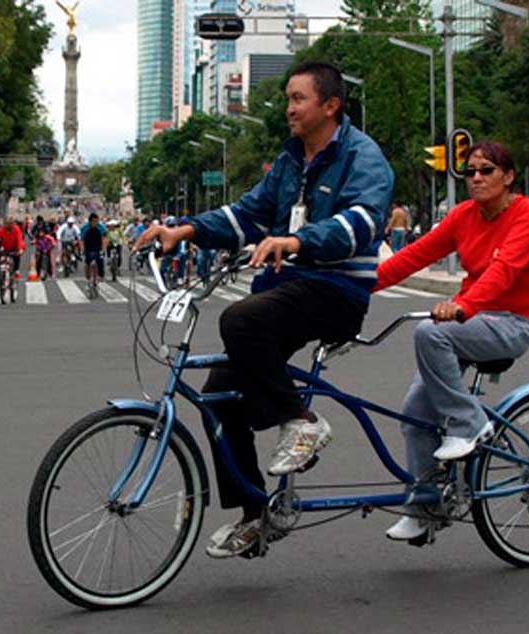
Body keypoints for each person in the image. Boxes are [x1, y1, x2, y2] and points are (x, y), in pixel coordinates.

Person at [134, 60, 394, 558]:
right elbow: (248, 213)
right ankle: (255, 514)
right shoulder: (290, 159)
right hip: (287, 289)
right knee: (217, 397)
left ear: (331, 105)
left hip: (336, 291)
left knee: (241, 318)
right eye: (289, 99)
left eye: (298, 99)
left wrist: (295, 240)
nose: (289, 109)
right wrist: (184, 230)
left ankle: (303, 421)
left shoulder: (363, 157)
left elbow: (361, 222)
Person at [372, 140, 529, 540]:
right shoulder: (463, 216)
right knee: (415, 415)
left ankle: (468, 424)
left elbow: (505, 270)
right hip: (471, 321)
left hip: (512, 322)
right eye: (470, 172)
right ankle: (424, 506)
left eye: (487, 170)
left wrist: (464, 304)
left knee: (431, 332)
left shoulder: (527, 214)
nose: (477, 178)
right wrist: (355, 289)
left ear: (509, 176)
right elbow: (412, 256)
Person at [79, 213, 108, 286]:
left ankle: (99, 276)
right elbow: (82, 239)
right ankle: (88, 279)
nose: (96, 223)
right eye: (94, 221)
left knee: (100, 261)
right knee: (87, 262)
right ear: (90, 221)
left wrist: (104, 249)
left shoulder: (101, 227)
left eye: (97, 221)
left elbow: (104, 238)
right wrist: (82, 249)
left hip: (98, 246)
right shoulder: (85, 228)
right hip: (88, 246)